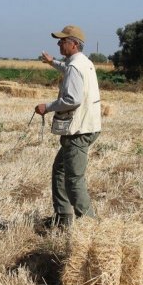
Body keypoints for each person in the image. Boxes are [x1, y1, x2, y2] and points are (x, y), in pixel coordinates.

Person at [34, 25, 102, 228]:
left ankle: (90, 227)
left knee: (74, 179)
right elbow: (67, 69)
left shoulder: (75, 66)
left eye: (62, 41)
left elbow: (72, 100)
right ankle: (63, 218)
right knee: (60, 171)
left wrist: (47, 107)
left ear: (73, 44)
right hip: (86, 127)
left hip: (79, 131)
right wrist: (51, 62)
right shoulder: (82, 62)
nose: (58, 43)